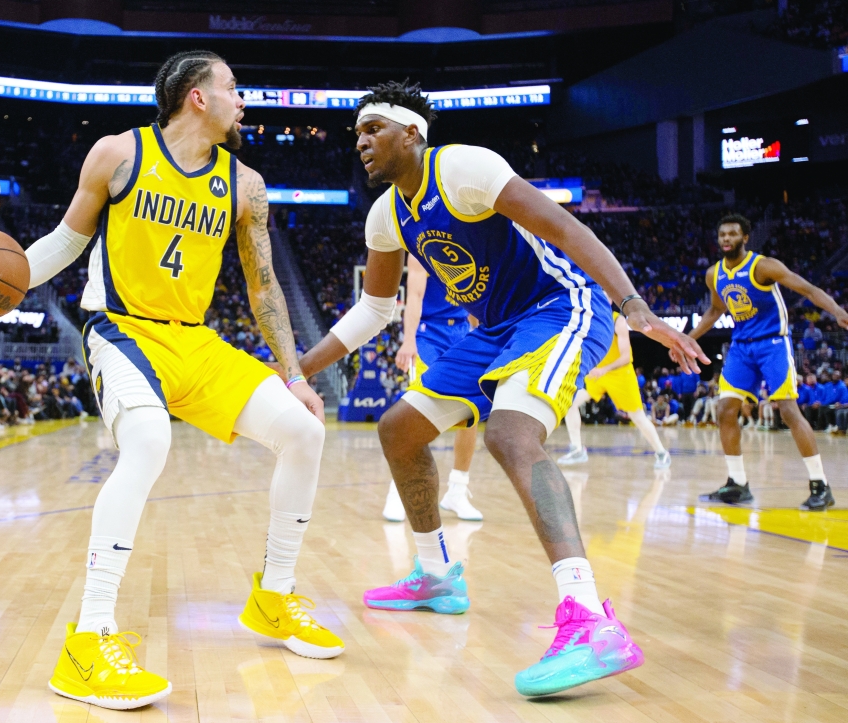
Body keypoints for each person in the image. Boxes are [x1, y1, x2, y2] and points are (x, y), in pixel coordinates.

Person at [0, 50, 342, 711]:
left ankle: (275, 594)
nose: (243, 100)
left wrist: (293, 372)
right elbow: (68, 241)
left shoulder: (246, 184)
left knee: (303, 431)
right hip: (122, 329)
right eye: (232, 88)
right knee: (150, 441)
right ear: (197, 97)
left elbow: (263, 284)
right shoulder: (118, 154)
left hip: (194, 340)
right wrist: (7, 286)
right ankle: (89, 640)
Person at [293, 80, 706, 697]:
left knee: (511, 434)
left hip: (560, 306)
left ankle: (589, 619)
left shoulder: (461, 166)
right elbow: (374, 311)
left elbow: (568, 231)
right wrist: (298, 368)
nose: (361, 142)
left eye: (372, 128)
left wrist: (635, 306)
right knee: (397, 429)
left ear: (412, 132)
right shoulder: (386, 215)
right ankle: (436, 575)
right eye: (355, 133)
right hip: (495, 329)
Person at [685, 213, 848, 510]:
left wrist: (837, 310)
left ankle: (820, 485)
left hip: (772, 343)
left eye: (732, 234)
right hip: (741, 347)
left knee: (787, 410)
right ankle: (737, 484)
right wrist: (688, 338)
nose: (726, 239)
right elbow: (715, 310)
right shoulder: (714, 273)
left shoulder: (764, 266)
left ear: (745, 238)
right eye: (722, 234)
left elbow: (808, 289)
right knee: (724, 409)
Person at [384, 254, 482, 521]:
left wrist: (482, 331)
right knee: (419, 412)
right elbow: (414, 295)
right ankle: (399, 488)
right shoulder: (422, 246)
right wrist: (409, 341)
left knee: (470, 413)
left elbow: (476, 297)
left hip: (461, 331)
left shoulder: (473, 237)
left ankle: (457, 491)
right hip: (427, 333)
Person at [558, 311, 671, 469]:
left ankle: (661, 453)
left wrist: (603, 369)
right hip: (599, 373)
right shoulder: (589, 318)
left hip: (620, 373)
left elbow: (625, 356)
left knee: (637, 417)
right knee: (570, 403)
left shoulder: (617, 320)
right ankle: (577, 449)